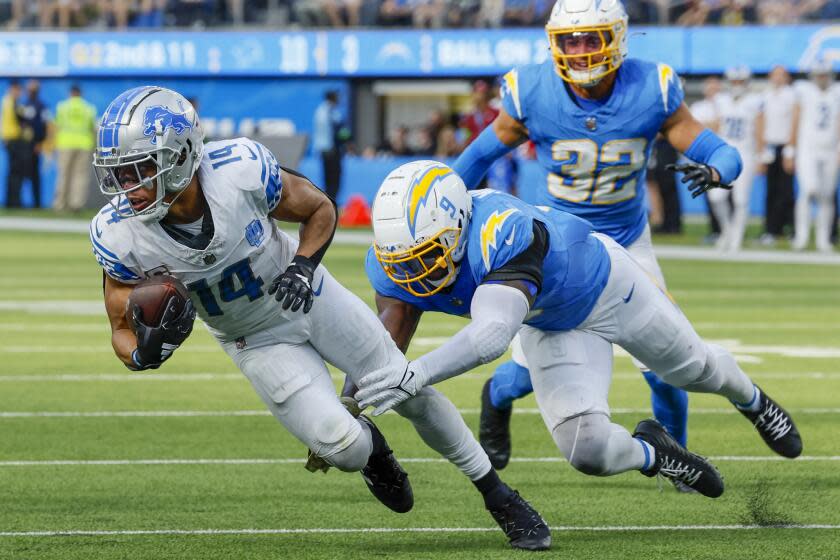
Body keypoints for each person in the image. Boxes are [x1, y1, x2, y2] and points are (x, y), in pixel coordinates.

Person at [89, 86, 550, 552]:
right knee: (344, 449)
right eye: (121, 172)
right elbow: (120, 330)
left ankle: (498, 495)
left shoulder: (238, 170)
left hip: (312, 297)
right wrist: (143, 354)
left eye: (144, 167)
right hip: (254, 339)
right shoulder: (120, 233)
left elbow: (318, 208)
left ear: (185, 153)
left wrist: (303, 265)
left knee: (408, 387)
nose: (130, 185)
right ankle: (372, 448)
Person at [358, 160, 802, 498]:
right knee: (586, 452)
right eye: (403, 262)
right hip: (551, 323)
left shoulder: (502, 230)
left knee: (694, 371)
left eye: (426, 255)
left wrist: (417, 373)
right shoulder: (394, 264)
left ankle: (752, 399)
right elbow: (380, 348)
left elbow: (492, 335)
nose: (415, 273)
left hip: (609, 288)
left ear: (458, 223)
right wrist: (345, 413)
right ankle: (656, 451)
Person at [450, 0, 744, 478]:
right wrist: (440, 200)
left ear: (617, 39)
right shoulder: (533, 92)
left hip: (628, 240)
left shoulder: (651, 88)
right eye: (570, 40)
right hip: (560, 250)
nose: (581, 51)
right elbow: (476, 156)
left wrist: (717, 170)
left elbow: (719, 149)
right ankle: (493, 399)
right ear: (554, 44)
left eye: (591, 38)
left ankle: (680, 464)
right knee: (519, 377)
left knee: (667, 362)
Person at [711, 66, 765, 252]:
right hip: (723, 154)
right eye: (734, 81)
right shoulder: (721, 100)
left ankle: (736, 239)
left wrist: (761, 155)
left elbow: (759, 128)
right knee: (716, 196)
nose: (737, 85)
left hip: (746, 153)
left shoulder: (754, 101)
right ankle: (727, 231)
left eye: (740, 81)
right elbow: (717, 126)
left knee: (741, 200)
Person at [789, 61, 840, 253]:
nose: (822, 78)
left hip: (830, 148)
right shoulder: (804, 91)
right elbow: (795, 118)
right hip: (807, 148)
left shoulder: (837, 92)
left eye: (825, 74)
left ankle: (823, 240)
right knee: (808, 190)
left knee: (827, 195)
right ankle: (801, 237)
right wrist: (790, 148)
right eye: (819, 75)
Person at [759, 65, 796, 246]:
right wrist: (762, 150)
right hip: (770, 146)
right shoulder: (766, 96)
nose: (778, 78)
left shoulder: (792, 95)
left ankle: (791, 228)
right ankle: (771, 229)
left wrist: (791, 149)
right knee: (771, 191)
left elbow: (795, 123)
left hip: (785, 146)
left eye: (781, 75)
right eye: (775, 75)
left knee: (786, 191)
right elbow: (761, 121)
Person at [690, 76, 724, 241]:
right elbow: (697, 128)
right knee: (709, 194)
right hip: (704, 155)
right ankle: (716, 230)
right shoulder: (698, 107)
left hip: (722, 155)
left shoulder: (726, 105)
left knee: (725, 193)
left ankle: (728, 229)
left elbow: (721, 126)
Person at [53, 84, 97, 212]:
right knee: (80, 176)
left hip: (65, 144)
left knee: (63, 175)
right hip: (83, 144)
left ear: (70, 93)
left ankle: (60, 204)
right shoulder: (88, 108)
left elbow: (57, 126)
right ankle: (76, 204)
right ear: (80, 93)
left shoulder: (62, 107)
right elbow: (92, 128)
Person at [18, 80, 51, 208]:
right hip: (24, 144)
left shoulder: (41, 106)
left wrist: (40, 142)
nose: (30, 92)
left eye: (33, 90)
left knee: (35, 175)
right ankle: (18, 202)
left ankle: (36, 203)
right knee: (22, 173)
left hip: (35, 145)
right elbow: (20, 123)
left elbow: (43, 125)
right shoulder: (24, 105)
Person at [312, 90, 346, 201]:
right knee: (334, 179)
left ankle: (329, 201)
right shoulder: (330, 112)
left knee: (328, 179)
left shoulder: (319, 111)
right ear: (333, 98)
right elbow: (338, 131)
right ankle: (331, 202)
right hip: (331, 150)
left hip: (324, 150)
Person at [1, 80, 26, 208]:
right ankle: (14, 201)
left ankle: (11, 201)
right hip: (13, 140)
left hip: (9, 139)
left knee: (12, 172)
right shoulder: (12, 102)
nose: (19, 93)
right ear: (13, 89)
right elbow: (21, 118)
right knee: (15, 173)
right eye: (18, 90)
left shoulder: (6, 101)